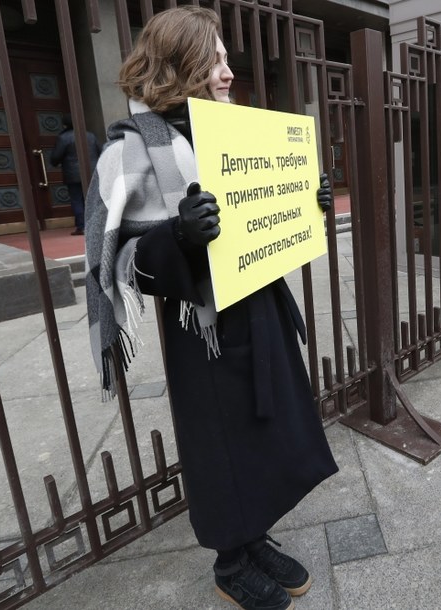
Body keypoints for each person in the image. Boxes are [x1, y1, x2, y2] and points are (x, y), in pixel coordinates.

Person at [83, 8, 337, 610]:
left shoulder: (237, 134)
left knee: (266, 429)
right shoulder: (130, 150)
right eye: (215, 60)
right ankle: (229, 559)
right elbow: (121, 264)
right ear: (182, 66)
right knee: (222, 442)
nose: (228, 73)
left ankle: (254, 535)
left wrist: (310, 201)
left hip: (261, 309)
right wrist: (178, 236)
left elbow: (266, 216)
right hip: (203, 330)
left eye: (225, 60)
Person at [50, 115, 101, 235]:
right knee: (92, 199)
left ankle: (82, 227)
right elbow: (100, 151)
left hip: (72, 174)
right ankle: (96, 225)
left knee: (77, 200)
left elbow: (56, 157)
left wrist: (55, 163)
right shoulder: (90, 135)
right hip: (92, 172)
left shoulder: (63, 138)